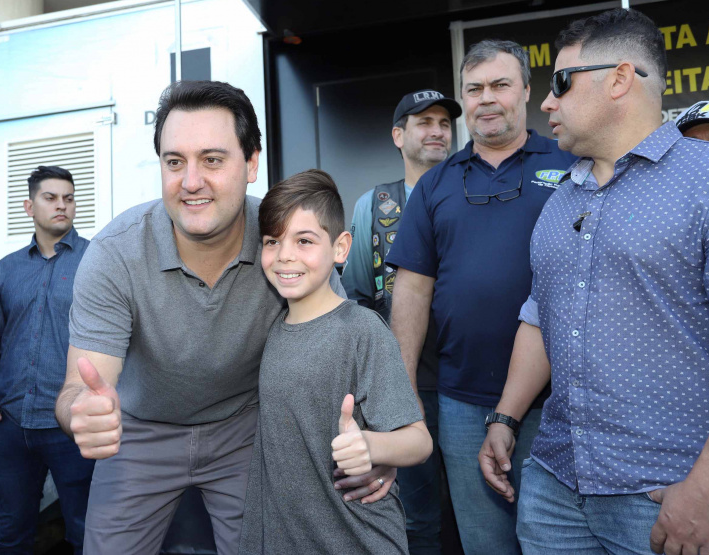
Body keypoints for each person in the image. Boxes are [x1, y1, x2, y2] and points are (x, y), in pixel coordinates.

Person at [54, 80, 393, 555]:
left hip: (246, 428)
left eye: (212, 160)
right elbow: (79, 387)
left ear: (251, 163)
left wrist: (377, 442)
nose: (191, 181)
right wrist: (82, 414)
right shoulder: (115, 254)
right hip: (139, 432)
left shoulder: (287, 244)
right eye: (175, 162)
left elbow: (341, 349)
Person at [478, 9, 709, 555]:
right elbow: (542, 314)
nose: (546, 102)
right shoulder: (561, 199)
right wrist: (506, 417)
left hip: (665, 496)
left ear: (618, 78)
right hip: (553, 489)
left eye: (561, 82)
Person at [386, 39, 576, 555]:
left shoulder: (571, 163)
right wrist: (402, 390)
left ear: (527, 93)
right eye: (474, 89)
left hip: (560, 402)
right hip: (462, 401)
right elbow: (411, 290)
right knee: (484, 542)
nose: (486, 99)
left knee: (559, 542)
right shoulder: (434, 185)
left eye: (499, 85)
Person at [238, 169, 432, 554]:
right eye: (272, 241)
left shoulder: (362, 331)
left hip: (356, 539)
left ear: (341, 248)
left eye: (304, 240)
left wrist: (370, 446)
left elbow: (418, 441)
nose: (285, 255)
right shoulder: (272, 330)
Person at [342, 89, 460, 554]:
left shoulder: (470, 190)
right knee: (416, 509)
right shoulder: (375, 204)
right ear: (398, 135)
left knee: (477, 504)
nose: (436, 130)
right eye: (423, 122)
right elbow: (353, 296)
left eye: (444, 123)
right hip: (401, 382)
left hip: (466, 378)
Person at [0, 166, 93, 554]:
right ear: (29, 206)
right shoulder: (6, 270)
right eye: (51, 197)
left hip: (73, 426)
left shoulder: (96, 261)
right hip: (11, 426)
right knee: (12, 536)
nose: (62, 205)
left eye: (69, 198)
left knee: (88, 533)